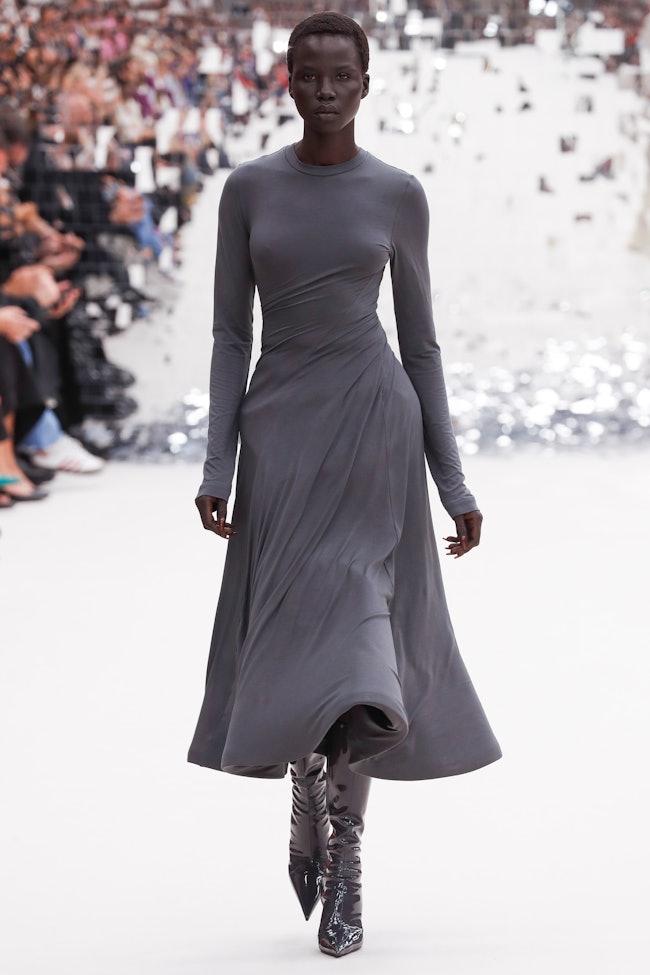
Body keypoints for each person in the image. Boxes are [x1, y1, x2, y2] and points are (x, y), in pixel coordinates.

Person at [190, 12, 501, 958]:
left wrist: (452, 480)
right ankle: (306, 784)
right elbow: (229, 336)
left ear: (366, 84)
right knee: (299, 644)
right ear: (287, 81)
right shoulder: (247, 192)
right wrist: (218, 459)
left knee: (365, 654)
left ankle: (348, 863)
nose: (325, 90)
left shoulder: (399, 195)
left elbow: (423, 346)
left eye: (342, 77)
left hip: (374, 436)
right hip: (280, 438)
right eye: (310, 76)